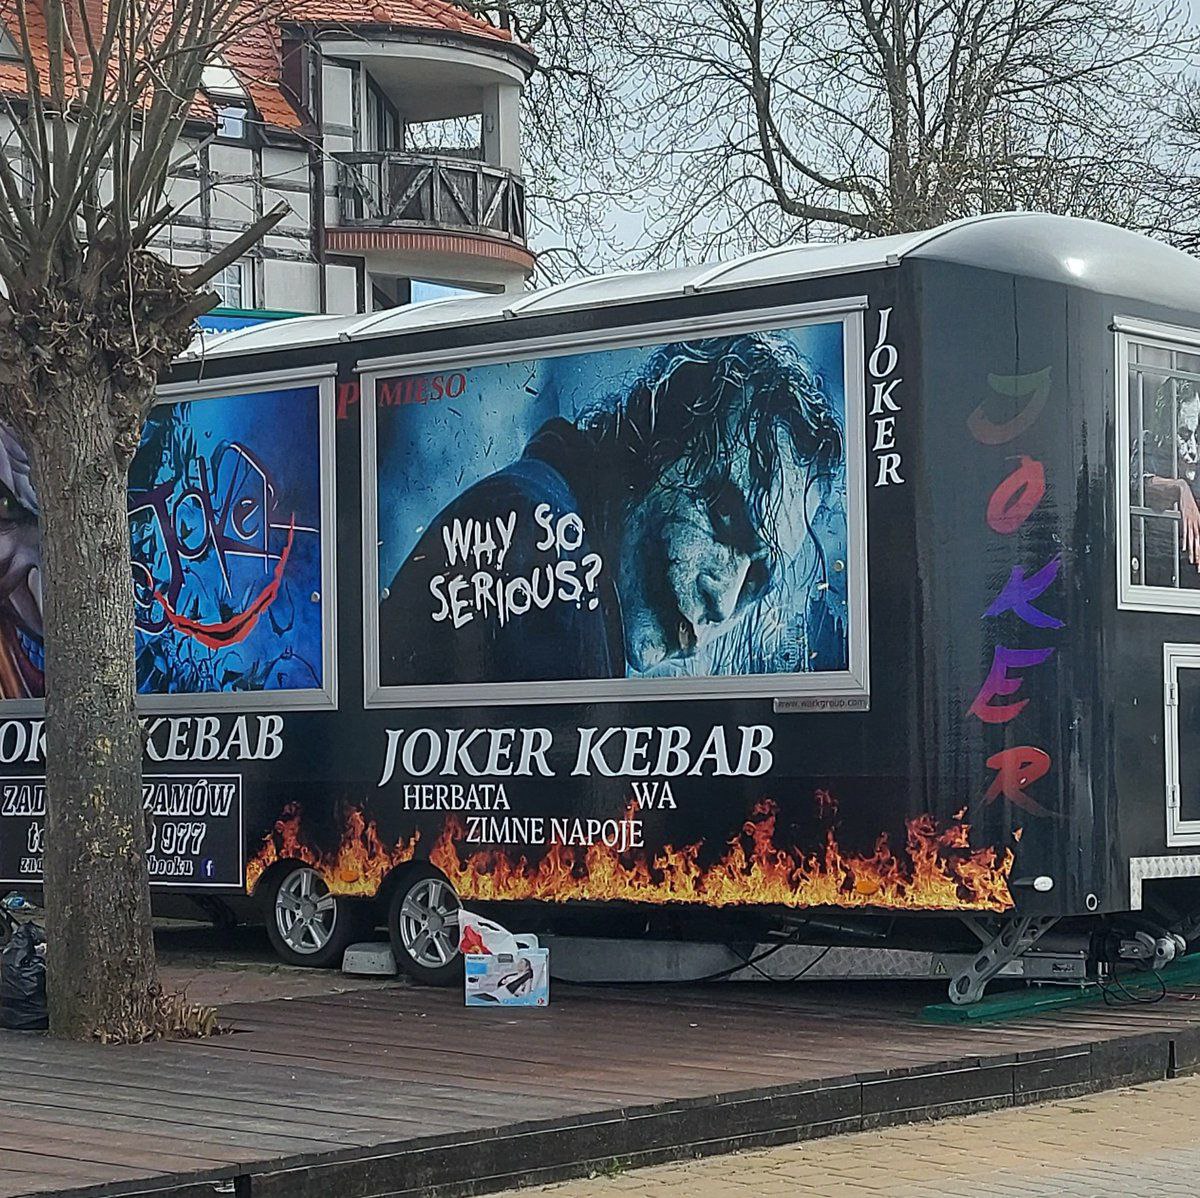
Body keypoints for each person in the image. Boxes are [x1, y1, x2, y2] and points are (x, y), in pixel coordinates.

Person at [378, 331, 845, 686]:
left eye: (758, 581)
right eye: (725, 517)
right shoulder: (549, 549)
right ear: (657, 446)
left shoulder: (541, 520)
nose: (722, 602)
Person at [1132, 380, 1200, 588]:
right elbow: (1137, 484)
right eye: (1185, 435)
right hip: (1155, 572)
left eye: (1197, 435)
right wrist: (1180, 488)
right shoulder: (1149, 445)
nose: (1193, 449)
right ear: (1166, 429)